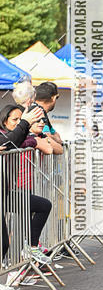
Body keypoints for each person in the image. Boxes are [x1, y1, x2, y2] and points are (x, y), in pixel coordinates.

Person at [0, 104, 54, 272]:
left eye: (20, 120)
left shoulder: (18, 135)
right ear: (4, 120)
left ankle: (31, 246)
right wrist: (31, 137)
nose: (18, 123)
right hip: (9, 192)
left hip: (7, 193)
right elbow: (8, 142)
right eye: (14, 120)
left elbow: (50, 147)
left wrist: (30, 138)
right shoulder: (6, 135)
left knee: (43, 205)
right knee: (4, 243)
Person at [33, 82, 63, 154]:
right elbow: (49, 136)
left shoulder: (42, 112)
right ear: (54, 98)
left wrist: (51, 138)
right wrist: (51, 138)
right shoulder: (37, 111)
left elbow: (56, 136)